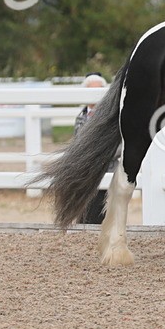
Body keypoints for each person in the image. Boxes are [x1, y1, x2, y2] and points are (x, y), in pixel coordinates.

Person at [74, 73, 109, 224]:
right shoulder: (80, 117)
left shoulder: (110, 116)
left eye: (99, 90)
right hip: (85, 169)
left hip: (106, 166)